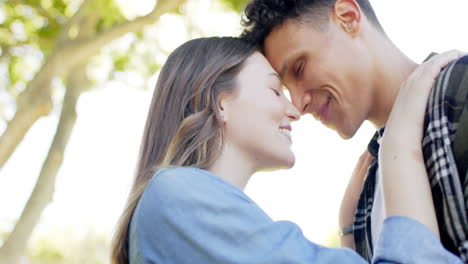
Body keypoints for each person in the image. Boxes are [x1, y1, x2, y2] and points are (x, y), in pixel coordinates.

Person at [109, 37, 463, 264]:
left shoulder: (185, 212)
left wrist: (348, 234)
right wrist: (399, 145)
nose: (295, 110)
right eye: (275, 90)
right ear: (220, 104)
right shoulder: (176, 197)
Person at [240, 0, 468, 262]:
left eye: (299, 68)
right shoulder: (365, 193)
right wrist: (348, 234)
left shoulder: (459, 90)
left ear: (347, 18)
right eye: (285, 90)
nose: (298, 104)